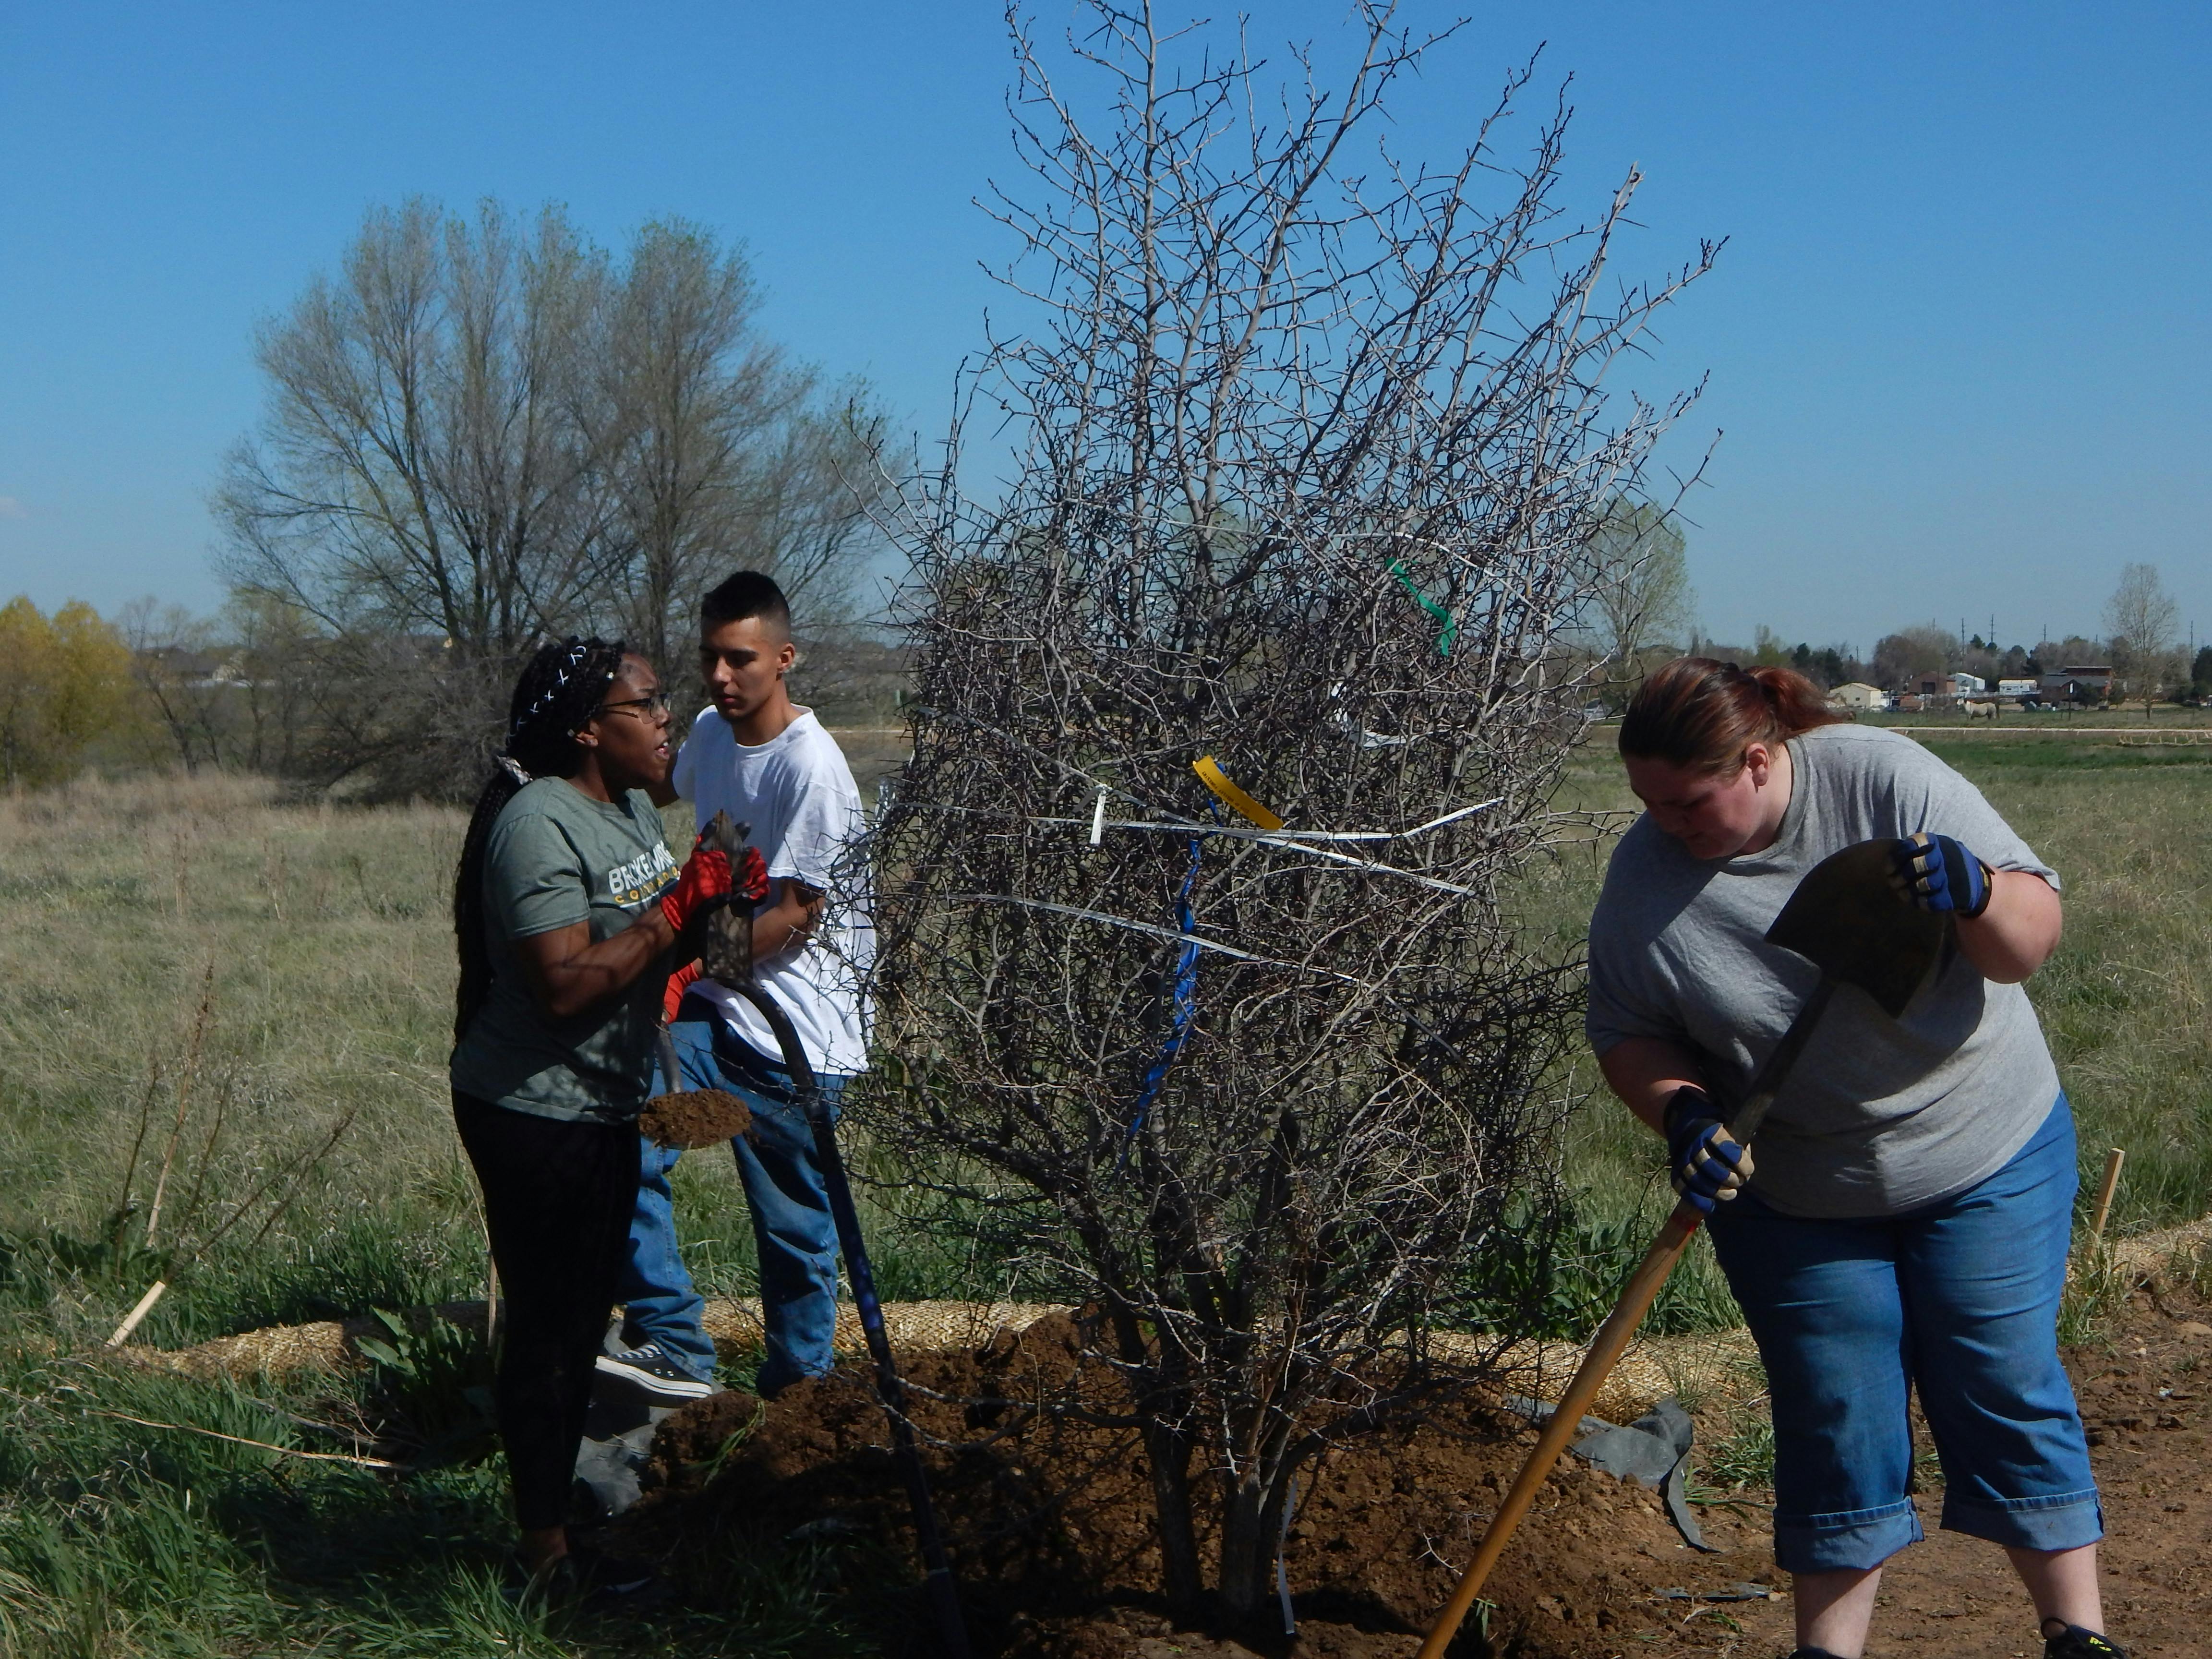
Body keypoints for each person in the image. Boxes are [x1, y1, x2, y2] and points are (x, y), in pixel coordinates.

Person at [1585, 659, 2122, 1659]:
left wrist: (1976, 892)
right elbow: (1627, 1032)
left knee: (1997, 1377)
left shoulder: (1882, 780)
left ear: (1756, 760)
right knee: (1836, 1415)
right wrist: (1684, 1112)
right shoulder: (1645, 884)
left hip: (1984, 1147)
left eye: (1687, 802)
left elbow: (2028, 940)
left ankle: (2078, 1638)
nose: (1665, 823)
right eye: (1646, 801)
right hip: (1795, 1194)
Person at [448, 637, 766, 1597]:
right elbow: (567, 987)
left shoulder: (627, 809)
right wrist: (679, 907)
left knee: (582, 1316)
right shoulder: (538, 825)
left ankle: (562, 1513)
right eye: (648, 702)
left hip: (605, 1102)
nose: (668, 715)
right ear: (589, 727)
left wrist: (730, 911)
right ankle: (545, 1553)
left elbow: (655, 951)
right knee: (550, 1331)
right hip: (534, 1111)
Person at [596, 572, 874, 1403]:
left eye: (741, 659)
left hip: (801, 1039)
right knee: (619, 1132)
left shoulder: (812, 769)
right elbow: (659, 783)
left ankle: (798, 1402)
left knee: (794, 1231)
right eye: (711, 658)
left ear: (784, 659)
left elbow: (794, 913)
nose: (721, 677)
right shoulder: (715, 736)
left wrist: (676, 958)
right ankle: (676, 1344)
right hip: (724, 1018)